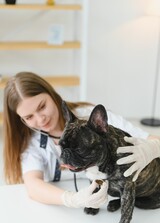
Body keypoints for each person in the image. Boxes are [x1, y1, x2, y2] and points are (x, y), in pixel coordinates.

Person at [3, 72, 160, 208]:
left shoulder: (93, 119)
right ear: (21, 120)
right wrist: (71, 199)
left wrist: (152, 148)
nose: (40, 119)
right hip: (62, 207)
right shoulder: (31, 143)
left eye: (42, 106)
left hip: (116, 199)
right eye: (29, 117)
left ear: (52, 94)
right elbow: (33, 186)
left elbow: (154, 139)